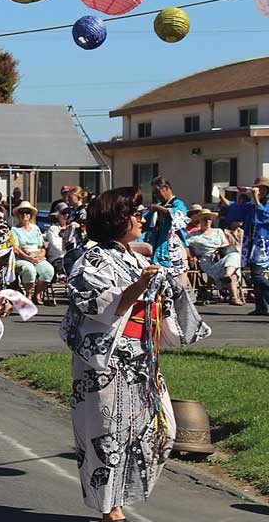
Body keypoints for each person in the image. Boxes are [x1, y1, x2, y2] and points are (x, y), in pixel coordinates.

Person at [60, 187, 210, 522]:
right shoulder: (92, 260)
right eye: (134, 213)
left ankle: (120, 497)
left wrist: (176, 276)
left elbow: (165, 308)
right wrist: (138, 287)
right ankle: (110, 509)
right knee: (107, 436)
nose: (141, 219)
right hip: (106, 362)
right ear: (117, 219)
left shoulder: (139, 259)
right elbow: (97, 305)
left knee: (159, 431)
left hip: (142, 357)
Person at [187, 209, 244, 305]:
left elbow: (225, 244)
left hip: (221, 256)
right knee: (232, 267)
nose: (207, 221)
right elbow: (185, 247)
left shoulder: (218, 231)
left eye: (209, 219)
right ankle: (234, 296)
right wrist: (191, 256)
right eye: (205, 219)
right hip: (207, 260)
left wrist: (217, 250)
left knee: (234, 255)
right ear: (199, 221)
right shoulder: (193, 236)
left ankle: (227, 276)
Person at [11, 200, 55, 304]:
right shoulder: (14, 230)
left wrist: (41, 255)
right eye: (22, 212)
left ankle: (37, 294)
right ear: (18, 215)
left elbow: (42, 246)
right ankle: (28, 294)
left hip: (37, 256)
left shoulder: (36, 229)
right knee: (29, 269)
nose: (25, 215)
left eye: (27, 212)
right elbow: (16, 248)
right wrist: (28, 257)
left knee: (48, 270)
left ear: (31, 215)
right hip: (22, 258)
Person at [146, 176, 188, 272]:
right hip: (158, 246)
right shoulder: (159, 206)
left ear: (166, 188)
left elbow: (178, 215)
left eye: (157, 192)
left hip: (173, 248)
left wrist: (159, 209)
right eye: (154, 193)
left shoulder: (178, 204)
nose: (156, 195)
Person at [247, 177, 269, 316]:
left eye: (261, 188)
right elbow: (237, 208)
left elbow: (264, 216)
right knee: (255, 276)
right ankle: (261, 306)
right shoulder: (254, 203)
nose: (258, 191)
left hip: (264, 243)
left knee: (257, 274)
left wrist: (255, 198)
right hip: (254, 241)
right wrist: (221, 196)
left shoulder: (266, 203)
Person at [62, 186, 89, 276]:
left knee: (79, 268)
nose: (68, 199)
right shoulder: (72, 211)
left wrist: (80, 225)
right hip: (71, 243)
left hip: (81, 244)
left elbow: (89, 225)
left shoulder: (84, 211)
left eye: (70, 197)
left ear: (78, 197)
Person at [46, 201, 68, 278]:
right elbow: (57, 247)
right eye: (63, 213)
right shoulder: (53, 229)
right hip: (57, 258)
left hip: (69, 257)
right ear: (57, 216)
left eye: (68, 212)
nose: (66, 215)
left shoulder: (72, 228)